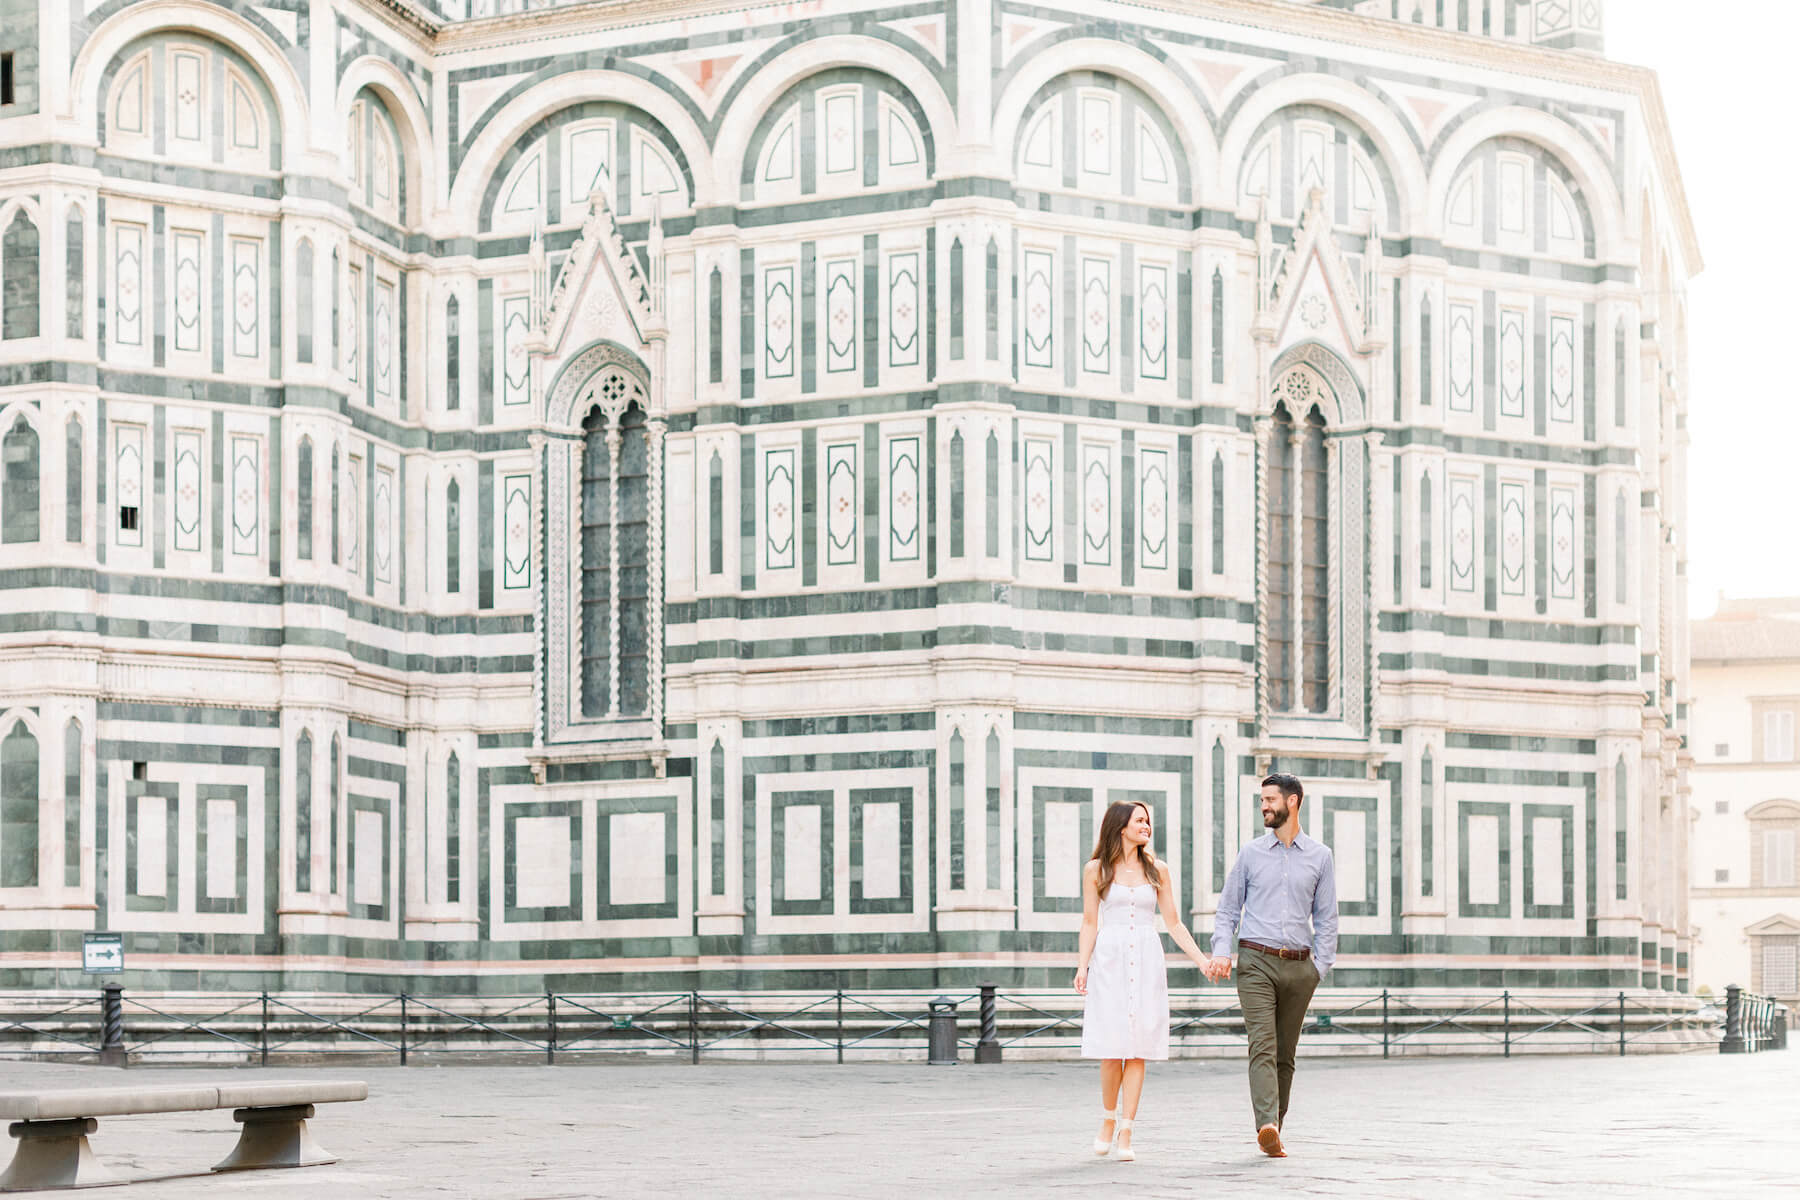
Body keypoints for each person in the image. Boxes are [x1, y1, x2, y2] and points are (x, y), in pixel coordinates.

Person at [1073, 800, 1216, 1162]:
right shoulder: (1096, 869)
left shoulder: (1158, 870)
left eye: (1148, 821)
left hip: (1147, 960)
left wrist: (1202, 960)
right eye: (1140, 820)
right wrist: (1082, 965)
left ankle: (1126, 1130)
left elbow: (1174, 923)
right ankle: (1106, 1120)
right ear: (1121, 826)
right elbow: (1090, 921)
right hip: (1109, 959)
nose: (1146, 825)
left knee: (1138, 1049)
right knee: (1111, 1048)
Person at [1205, 772, 1338, 1158]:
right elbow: (1228, 908)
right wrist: (1220, 950)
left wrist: (1320, 967)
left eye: (1270, 800)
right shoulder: (1250, 853)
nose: (1263, 806)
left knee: (1285, 1053)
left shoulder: (1320, 856)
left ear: (1292, 802)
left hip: (1300, 967)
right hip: (1255, 961)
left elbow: (1327, 917)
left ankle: (1274, 1127)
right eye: (1262, 800)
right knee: (1262, 1044)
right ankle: (1265, 1123)